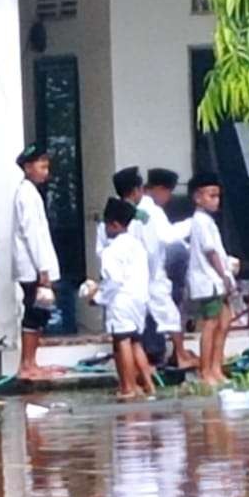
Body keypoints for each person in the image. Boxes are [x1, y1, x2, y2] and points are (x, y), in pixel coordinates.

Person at [84, 196, 154, 399]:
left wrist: (98, 298)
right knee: (136, 342)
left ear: (114, 225)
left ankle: (128, 387)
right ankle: (148, 385)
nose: (104, 229)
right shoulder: (137, 246)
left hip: (121, 300)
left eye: (106, 224)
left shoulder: (111, 251)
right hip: (139, 299)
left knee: (122, 341)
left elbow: (113, 281)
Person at [12, 144, 62, 381]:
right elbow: (33, 234)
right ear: (28, 167)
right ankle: (27, 364)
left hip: (36, 266)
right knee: (34, 313)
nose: (46, 171)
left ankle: (32, 362)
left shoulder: (31, 193)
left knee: (40, 314)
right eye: (42, 166)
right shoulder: (27, 195)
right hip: (32, 268)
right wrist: (43, 269)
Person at [186, 172, 238, 385]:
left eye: (217, 196)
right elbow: (210, 252)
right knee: (211, 324)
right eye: (210, 196)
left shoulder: (208, 221)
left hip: (217, 282)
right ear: (198, 198)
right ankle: (205, 370)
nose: (215, 200)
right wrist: (224, 274)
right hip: (209, 281)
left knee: (224, 322)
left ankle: (216, 366)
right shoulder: (199, 221)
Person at [142, 167, 196, 368]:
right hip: (153, 273)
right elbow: (168, 236)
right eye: (168, 192)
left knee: (153, 317)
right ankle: (180, 355)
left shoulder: (140, 210)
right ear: (158, 189)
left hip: (146, 272)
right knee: (170, 315)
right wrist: (193, 223)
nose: (168, 197)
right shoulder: (153, 211)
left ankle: (172, 354)